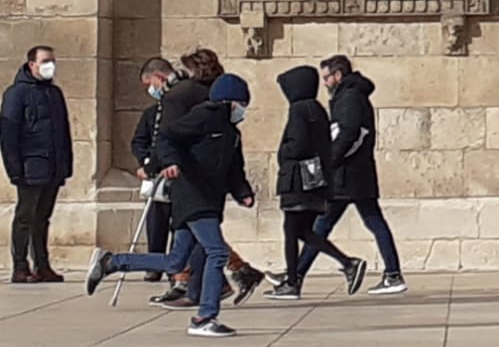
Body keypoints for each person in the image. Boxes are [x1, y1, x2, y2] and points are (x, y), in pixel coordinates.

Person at [87, 73, 257, 337]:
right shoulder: (205, 116)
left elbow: (235, 170)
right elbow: (167, 136)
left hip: (208, 198)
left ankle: (111, 262)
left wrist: (243, 192)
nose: (242, 110)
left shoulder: (232, 134)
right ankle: (204, 318)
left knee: (176, 260)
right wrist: (168, 162)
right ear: (229, 102)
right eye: (241, 104)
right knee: (217, 252)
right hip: (193, 195)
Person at [148, 50, 266, 309]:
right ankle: (207, 295)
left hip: (188, 178)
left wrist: (161, 163)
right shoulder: (216, 102)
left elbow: (166, 134)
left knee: (194, 242)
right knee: (203, 243)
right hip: (205, 181)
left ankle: (198, 294)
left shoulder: (183, 96)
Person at [292, 56, 406, 295]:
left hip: (346, 175)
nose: (324, 83)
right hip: (355, 174)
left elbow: (349, 134)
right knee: (365, 222)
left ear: (338, 75)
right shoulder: (351, 96)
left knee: (321, 226)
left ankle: (296, 277)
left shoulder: (349, 97)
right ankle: (392, 274)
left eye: (327, 77)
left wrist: (329, 161)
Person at [265, 65, 366, 301]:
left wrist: (283, 153)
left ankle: (293, 282)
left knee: (292, 231)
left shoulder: (299, 109)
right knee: (303, 231)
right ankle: (345, 264)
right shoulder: (317, 109)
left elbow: (299, 144)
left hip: (298, 180)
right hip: (315, 181)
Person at [0, 45, 73, 283]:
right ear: (32, 65)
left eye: (52, 60)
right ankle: (20, 266)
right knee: (25, 217)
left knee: (43, 218)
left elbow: (63, 131)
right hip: (30, 166)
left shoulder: (54, 93)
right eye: (45, 60)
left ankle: (42, 265)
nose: (50, 65)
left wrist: (66, 163)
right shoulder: (16, 93)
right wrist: (14, 168)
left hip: (52, 166)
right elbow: (8, 133)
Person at [130, 58, 176, 282]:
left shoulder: (178, 106)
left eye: (150, 83)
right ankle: (154, 264)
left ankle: (177, 266)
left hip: (177, 172)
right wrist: (145, 162)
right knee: (156, 223)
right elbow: (140, 142)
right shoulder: (151, 113)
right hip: (156, 175)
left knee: (180, 224)